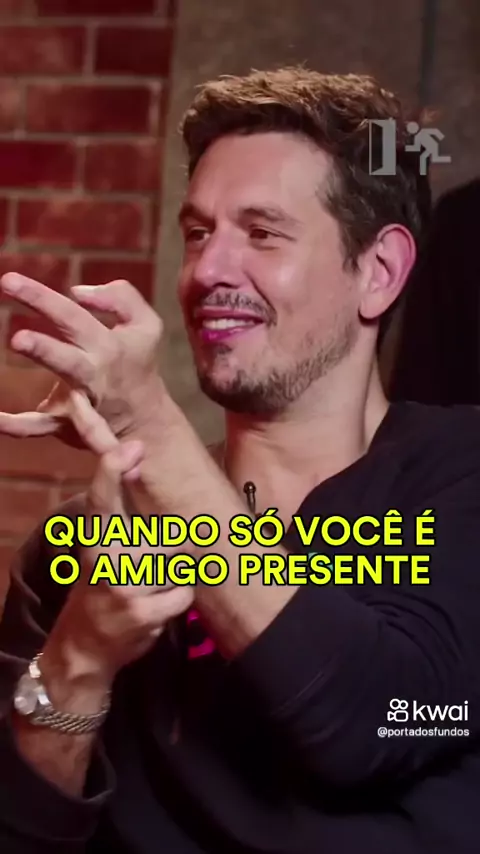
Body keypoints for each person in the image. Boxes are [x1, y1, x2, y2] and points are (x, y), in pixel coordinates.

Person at [0, 66, 479, 854]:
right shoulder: (84, 544)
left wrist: (146, 419)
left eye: (262, 233)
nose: (208, 271)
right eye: (198, 234)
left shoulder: (460, 480)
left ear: (379, 273)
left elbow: (378, 718)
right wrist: (81, 657)